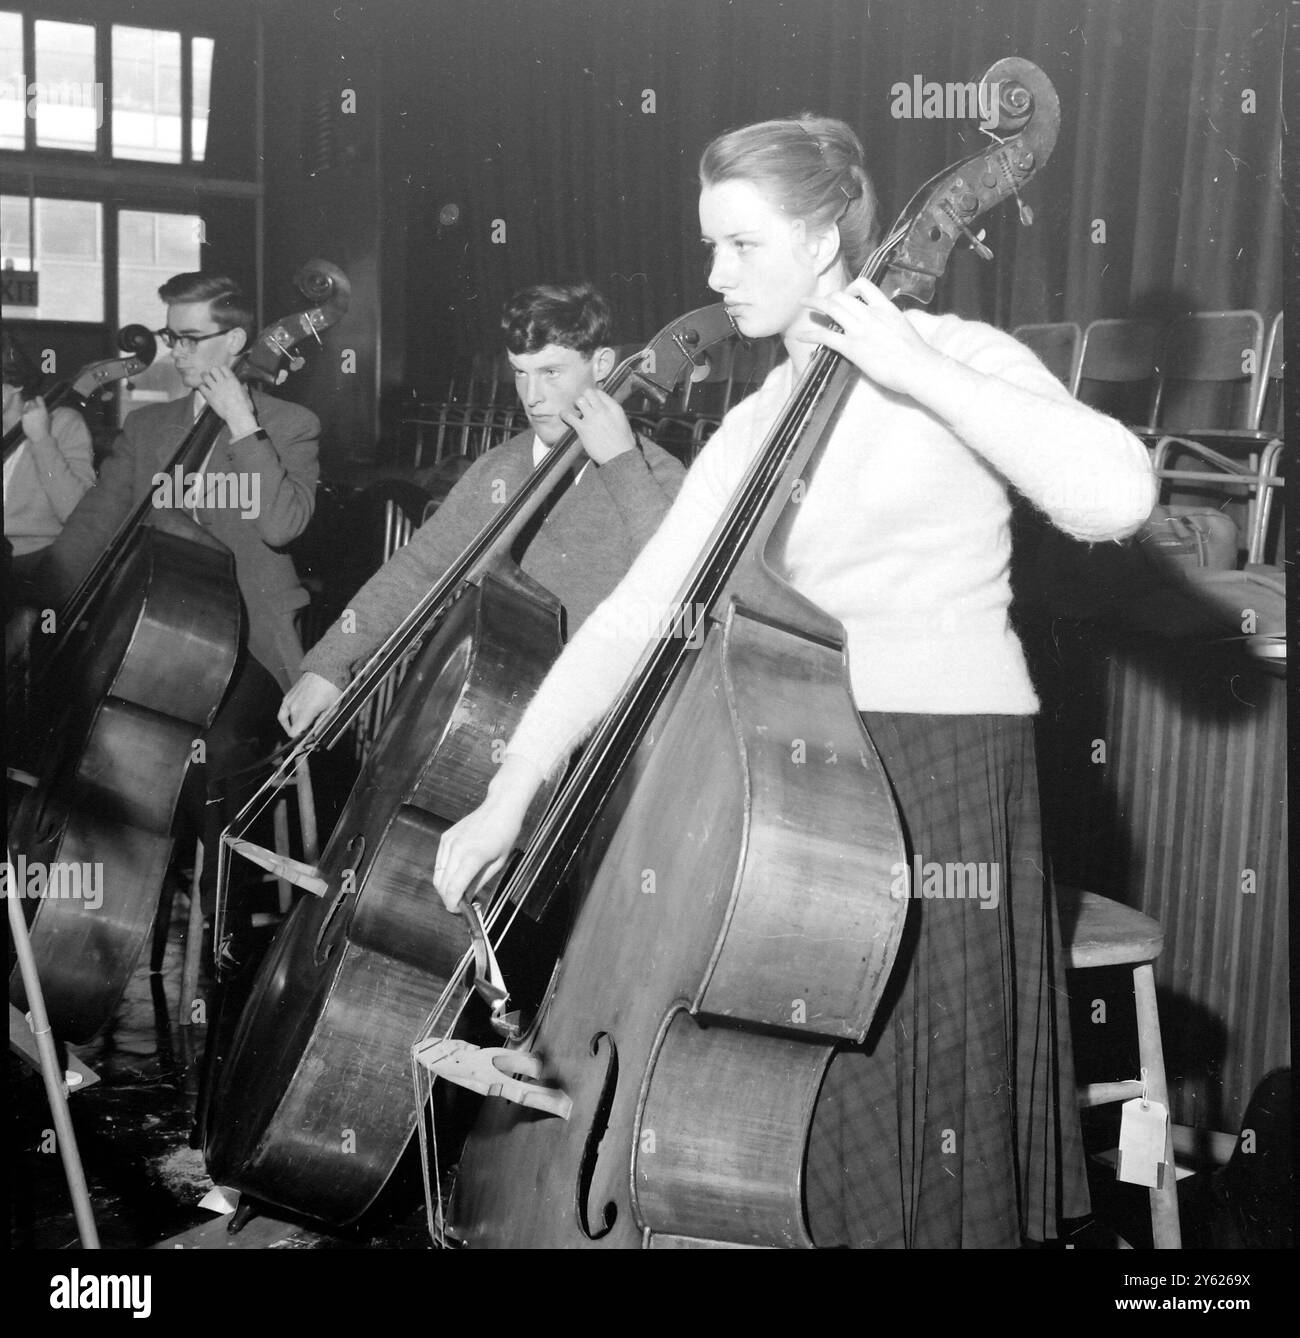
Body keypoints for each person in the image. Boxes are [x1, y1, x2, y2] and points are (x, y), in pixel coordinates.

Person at [430, 116, 1157, 1248]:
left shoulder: (955, 353)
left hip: (939, 772)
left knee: (920, 1136)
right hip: (802, 789)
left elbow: (1113, 495)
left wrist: (910, 365)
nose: (715, 277)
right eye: (709, 246)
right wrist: (514, 781)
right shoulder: (758, 421)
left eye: (741, 245)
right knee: (811, 1123)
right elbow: (636, 616)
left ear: (825, 240)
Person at [279, 281, 685, 738]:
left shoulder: (652, 474)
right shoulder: (502, 466)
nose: (532, 397)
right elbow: (420, 568)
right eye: (520, 372)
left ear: (604, 365)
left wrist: (620, 463)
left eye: (551, 372)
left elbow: (681, 589)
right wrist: (330, 663)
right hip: (496, 716)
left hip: (609, 729)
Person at [35, 272, 320, 913]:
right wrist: (42, 610)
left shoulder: (289, 424)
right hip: (154, 640)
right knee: (78, 726)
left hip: (250, 646)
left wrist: (243, 422)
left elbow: (281, 523)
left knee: (210, 753)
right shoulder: (150, 428)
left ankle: (226, 930)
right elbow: (92, 527)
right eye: (171, 337)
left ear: (239, 340)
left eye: (190, 338)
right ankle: (101, 919)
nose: (176, 353)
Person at [2, 333, 94, 602]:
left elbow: (75, 513)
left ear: (15, 382)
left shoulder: (63, 423)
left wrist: (42, 440)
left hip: (33, 565)